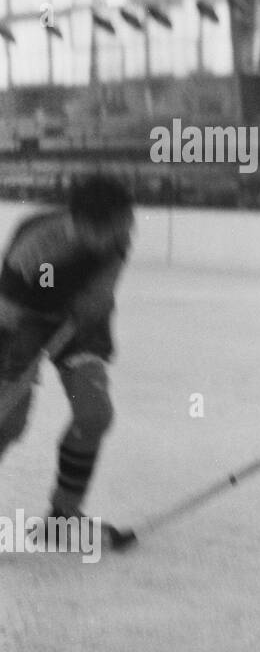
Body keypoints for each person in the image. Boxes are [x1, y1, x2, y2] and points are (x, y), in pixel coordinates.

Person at [0, 173, 135, 544]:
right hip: (19, 320)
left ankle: (62, 517)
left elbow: (102, 288)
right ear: (78, 222)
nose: (117, 236)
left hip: (79, 321)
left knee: (93, 413)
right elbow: (8, 311)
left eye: (121, 226)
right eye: (106, 230)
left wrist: (88, 306)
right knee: (6, 421)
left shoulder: (118, 232)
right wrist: (16, 363)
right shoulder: (36, 245)